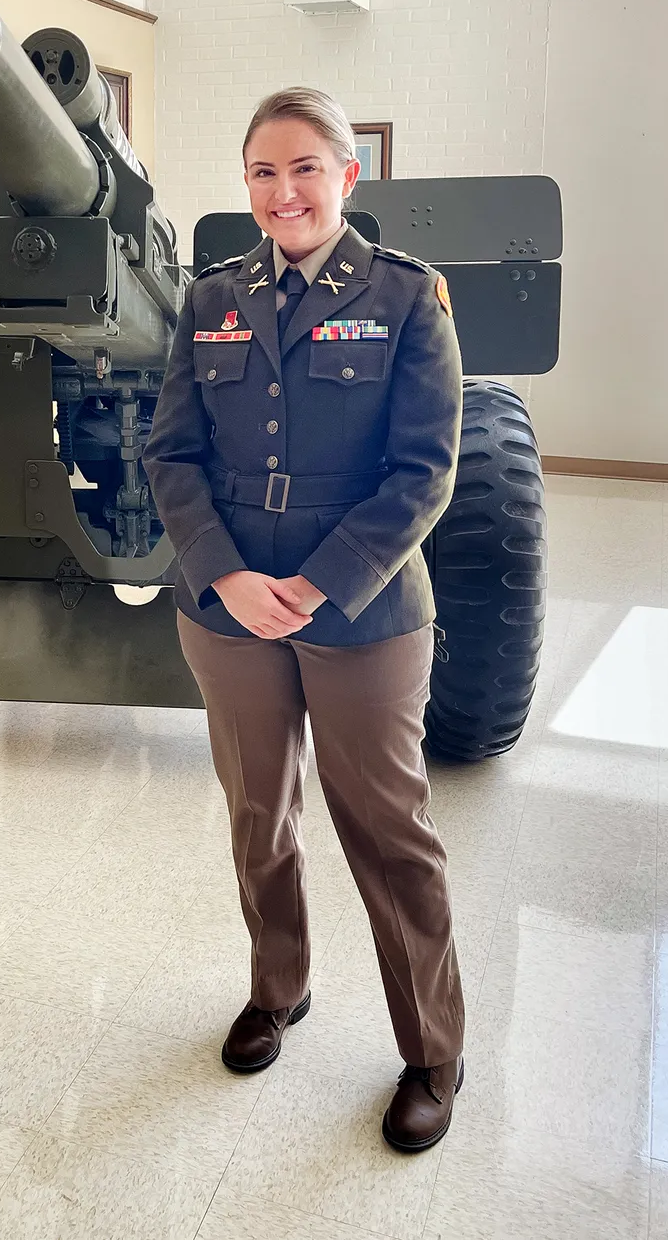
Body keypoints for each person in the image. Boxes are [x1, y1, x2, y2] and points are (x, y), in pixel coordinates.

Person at [142, 87, 465, 1152]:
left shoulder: (406, 296)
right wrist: (226, 577)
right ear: (245, 185)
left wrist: (319, 585)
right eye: (262, 174)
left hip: (363, 610)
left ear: (345, 176)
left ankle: (431, 1049)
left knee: (385, 829)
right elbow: (170, 456)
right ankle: (276, 988)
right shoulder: (210, 298)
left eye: (303, 169)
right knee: (256, 815)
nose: (283, 193)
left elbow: (424, 470)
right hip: (227, 606)